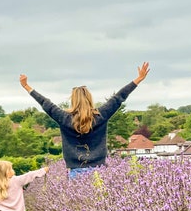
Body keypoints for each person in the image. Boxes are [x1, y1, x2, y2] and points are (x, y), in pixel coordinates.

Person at [19, 62, 150, 179]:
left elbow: (45, 103)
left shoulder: (64, 118)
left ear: (72, 100)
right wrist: (138, 79)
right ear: (89, 99)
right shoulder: (100, 115)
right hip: (99, 171)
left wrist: (27, 86)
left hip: (75, 171)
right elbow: (118, 98)